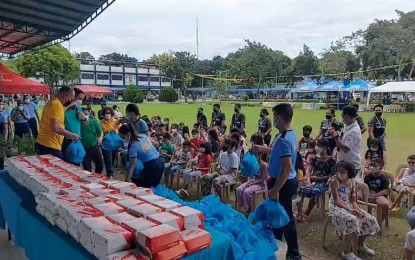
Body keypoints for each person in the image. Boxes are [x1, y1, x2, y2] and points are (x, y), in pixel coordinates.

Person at [253, 103, 301, 260]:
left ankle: (293, 253)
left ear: (279, 118)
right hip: (286, 181)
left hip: (283, 182)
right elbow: (278, 153)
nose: (273, 120)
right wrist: (262, 149)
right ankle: (278, 245)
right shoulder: (290, 135)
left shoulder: (283, 139)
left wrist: (275, 190)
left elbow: (286, 168)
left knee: (285, 218)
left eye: (274, 117)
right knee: (277, 216)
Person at [329, 161, 379, 260]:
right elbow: (337, 200)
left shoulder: (352, 181)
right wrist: (350, 210)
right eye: (338, 171)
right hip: (336, 208)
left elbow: (353, 200)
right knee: (351, 220)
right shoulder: (334, 180)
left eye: (343, 172)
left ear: (349, 173)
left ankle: (360, 245)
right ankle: (347, 252)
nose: (340, 173)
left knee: (369, 218)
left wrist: (359, 209)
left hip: (349, 206)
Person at [297, 138, 336, 222]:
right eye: (317, 145)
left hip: (324, 182)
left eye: (319, 146)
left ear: (325, 147)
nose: (317, 147)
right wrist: (308, 181)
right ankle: (300, 213)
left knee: (315, 191)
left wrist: (320, 178)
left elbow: (332, 175)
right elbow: (309, 171)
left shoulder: (331, 160)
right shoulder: (314, 158)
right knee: (299, 189)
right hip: (312, 179)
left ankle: (307, 213)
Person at [35, 86, 80, 158]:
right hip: (50, 146)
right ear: (65, 96)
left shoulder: (52, 102)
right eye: (71, 99)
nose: (71, 101)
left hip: (43, 143)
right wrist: (72, 136)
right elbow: (57, 128)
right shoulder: (57, 105)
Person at [118, 124, 164, 188]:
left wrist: (128, 178)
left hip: (152, 165)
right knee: (154, 185)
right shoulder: (143, 136)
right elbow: (156, 144)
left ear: (127, 135)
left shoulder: (133, 146)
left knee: (147, 188)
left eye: (122, 137)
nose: (122, 139)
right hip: (160, 161)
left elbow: (132, 165)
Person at [330, 105, 362, 182]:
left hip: (350, 164)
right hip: (343, 161)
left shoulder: (353, 131)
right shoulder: (348, 126)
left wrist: (336, 137)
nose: (342, 118)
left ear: (347, 116)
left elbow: (346, 149)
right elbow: (342, 142)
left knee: (348, 187)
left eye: (342, 116)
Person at [236, 134, 267, 213]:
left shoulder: (263, 165)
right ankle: (243, 205)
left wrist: (253, 182)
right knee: (239, 189)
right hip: (252, 181)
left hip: (260, 184)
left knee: (246, 192)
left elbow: (263, 179)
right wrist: (249, 181)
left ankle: (248, 208)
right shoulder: (252, 164)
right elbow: (250, 174)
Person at [62, 88, 87, 162]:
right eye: (79, 98)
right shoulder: (63, 108)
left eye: (82, 99)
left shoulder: (78, 109)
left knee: (76, 163)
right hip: (66, 140)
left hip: (77, 139)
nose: (80, 101)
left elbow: (86, 124)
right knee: (67, 163)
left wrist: (84, 119)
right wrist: (69, 105)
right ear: (73, 97)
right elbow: (59, 114)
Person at [363, 158, 389, 225]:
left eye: (374, 166)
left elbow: (385, 191)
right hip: (368, 194)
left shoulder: (384, 179)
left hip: (379, 196)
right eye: (371, 165)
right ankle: (365, 220)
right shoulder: (367, 176)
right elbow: (364, 186)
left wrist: (375, 195)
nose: (371, 167)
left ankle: (378, 224)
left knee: (385, 204)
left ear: (380, 167)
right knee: (353, 197)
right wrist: (367, 194)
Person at [80, 108, 104, 174]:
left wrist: (100, 138)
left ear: (89, 114)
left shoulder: (94, 122)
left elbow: (100, 132)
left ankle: (97, 177)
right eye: (83, 114)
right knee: (87, 167)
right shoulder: (79, 124)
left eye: (86, 114)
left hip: (94, 147)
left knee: (100, 164)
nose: (84, 116)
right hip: (84, 148)